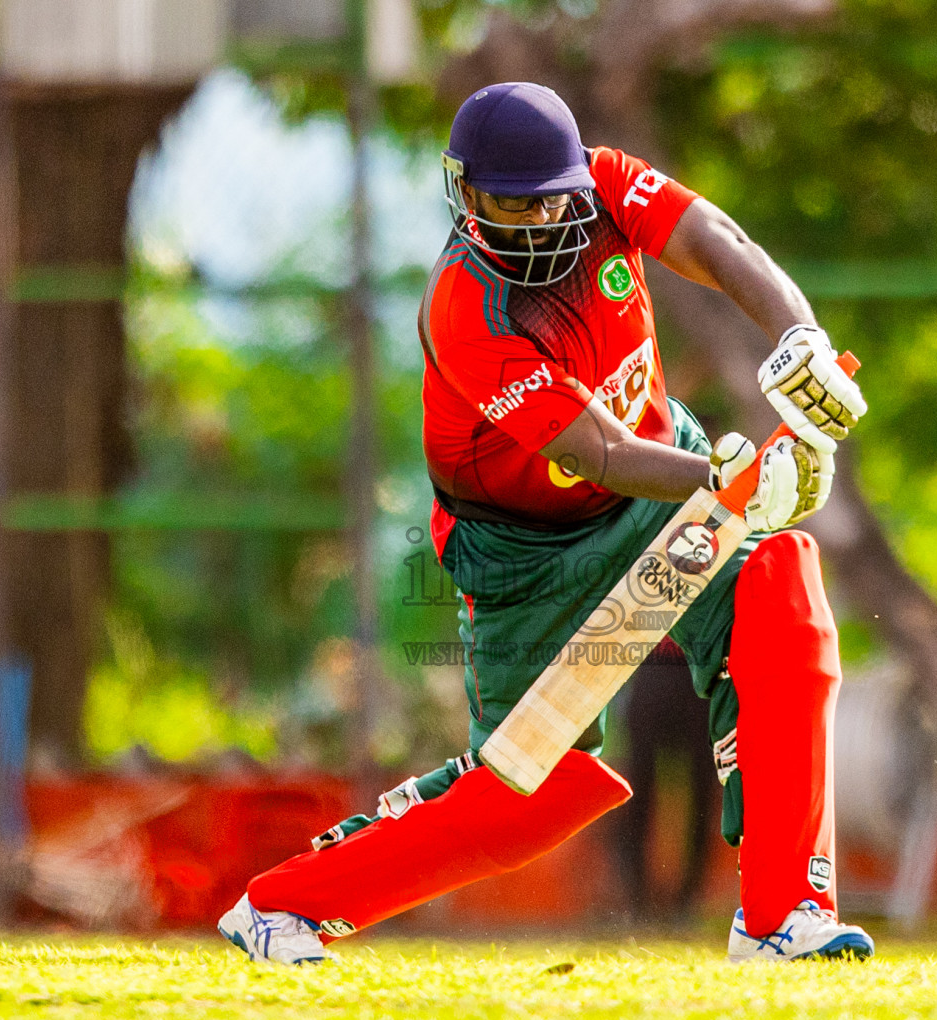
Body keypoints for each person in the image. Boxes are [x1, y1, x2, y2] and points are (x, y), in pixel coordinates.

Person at [218, 81, 873, 964]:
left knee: (779, 587)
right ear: (465, 195)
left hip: (658, 491)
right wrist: (734, 483)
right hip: (528, 557)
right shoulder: (468, 310)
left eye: (551, 197)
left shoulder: (609, 185)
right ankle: (280, 905)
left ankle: (782, 916)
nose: (536, 221)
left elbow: (718, 242)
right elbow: (596, 451)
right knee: (529, 791)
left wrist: (798, 338)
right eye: (508, 204)